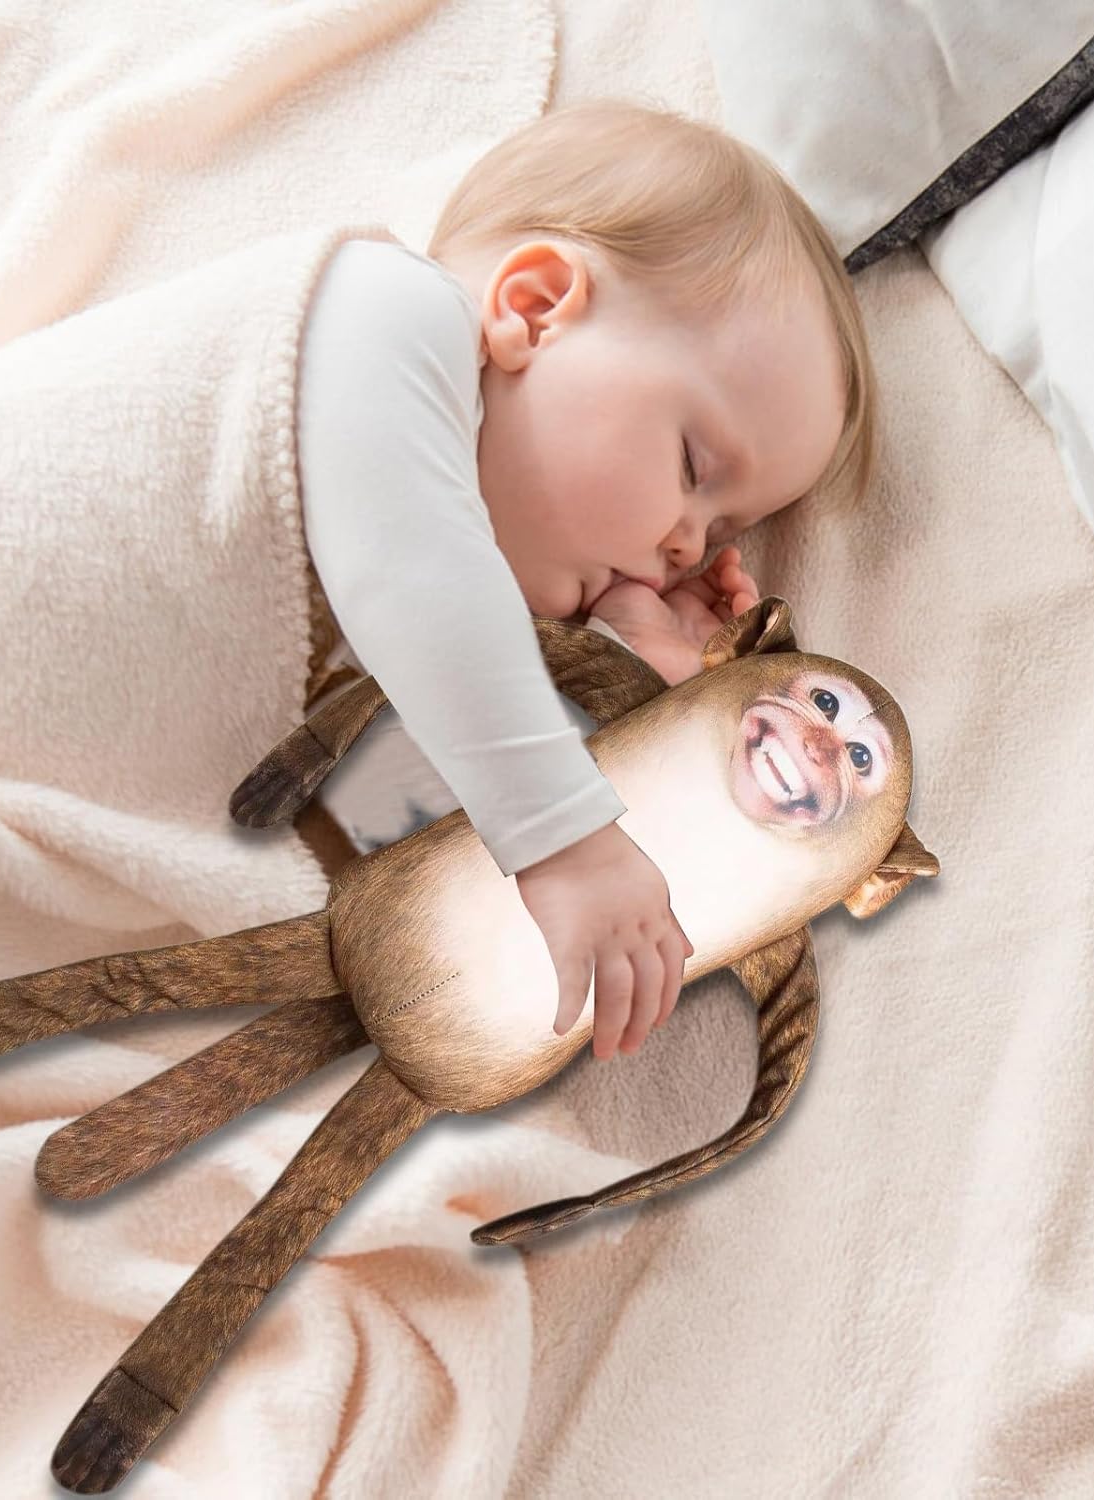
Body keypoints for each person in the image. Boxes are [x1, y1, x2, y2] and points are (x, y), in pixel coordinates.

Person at [296, 100, 877, 1063]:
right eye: (694, 466)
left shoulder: (423, 670)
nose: (688, 547)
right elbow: (411, 570)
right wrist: (568, 840)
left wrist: (633, 677)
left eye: (723, 533)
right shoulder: (384, 312)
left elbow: (391, 840)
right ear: (533, 309)